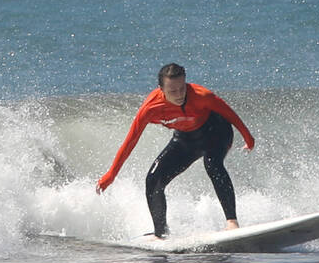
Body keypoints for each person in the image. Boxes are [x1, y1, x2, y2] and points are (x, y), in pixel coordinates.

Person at [96, 63, 255, 238]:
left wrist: (248, 138)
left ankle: (232, 222)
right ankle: (161, 234)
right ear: (161, 89)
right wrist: (111, 174)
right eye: (172, 91)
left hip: (216, 131)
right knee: (153, 179)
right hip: (185, 139)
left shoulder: (202, 96)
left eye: (182, 88)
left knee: (212, 164)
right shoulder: (150, 108)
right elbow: (130, 141)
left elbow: (230, 115)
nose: (179, 95)